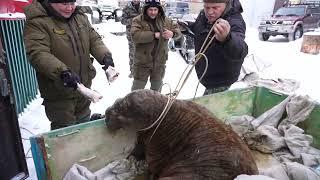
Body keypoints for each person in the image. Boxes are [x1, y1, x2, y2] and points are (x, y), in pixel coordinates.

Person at [23, 0, 115, 130]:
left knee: (83, 123)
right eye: (64, 4)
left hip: (84, 87)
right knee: (65, 131)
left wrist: (105, 57)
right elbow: (38, 53)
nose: (70, 8)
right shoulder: (37, 22)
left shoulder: (80, 17)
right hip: (59, 89)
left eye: (72, 3)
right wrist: (62, 72)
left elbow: (94, 40)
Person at [188, 0, 248, 95]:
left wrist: (227, 39)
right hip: (207, 78)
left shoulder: (235, 21)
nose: (210, 12)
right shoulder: (203, 15)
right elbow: (199, 29)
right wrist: (186, 27)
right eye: (207, 7)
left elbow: (240, 50)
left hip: (221, 82)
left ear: (226, 5)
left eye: (215, 8)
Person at [130, 0, 181, 91]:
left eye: (155, 9)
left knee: (157, 91)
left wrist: (172, 34)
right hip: (142, 62)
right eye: (150, 9)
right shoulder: (138, 20)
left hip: (159, 62)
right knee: (137, 91)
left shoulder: (166, 21)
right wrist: (153, 35)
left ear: (159, 10)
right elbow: (135, 36)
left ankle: (154, 105)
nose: (153, 12)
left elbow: (178, 32)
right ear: (146, 9)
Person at [121, 0, 142, 78]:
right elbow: (123, 21)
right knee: (132, 53)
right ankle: (133, 72)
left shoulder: (144, 7)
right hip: (132, 35)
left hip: (143, 34)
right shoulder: (127, 8)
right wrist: (133, 20)